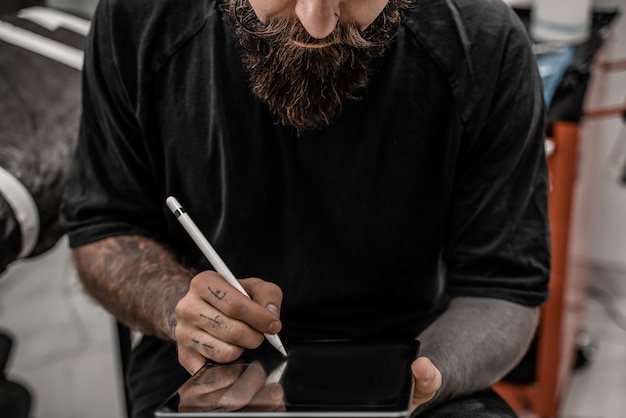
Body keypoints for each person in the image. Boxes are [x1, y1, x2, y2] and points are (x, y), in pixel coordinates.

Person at [60, 0, 551, 416]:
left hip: (416, 352)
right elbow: (104, 227)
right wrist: (176, 307)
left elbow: (503, 288)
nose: (318, 23)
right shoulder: (141, 18)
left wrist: (420, 379)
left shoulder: (485, 43)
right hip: (202, 364)